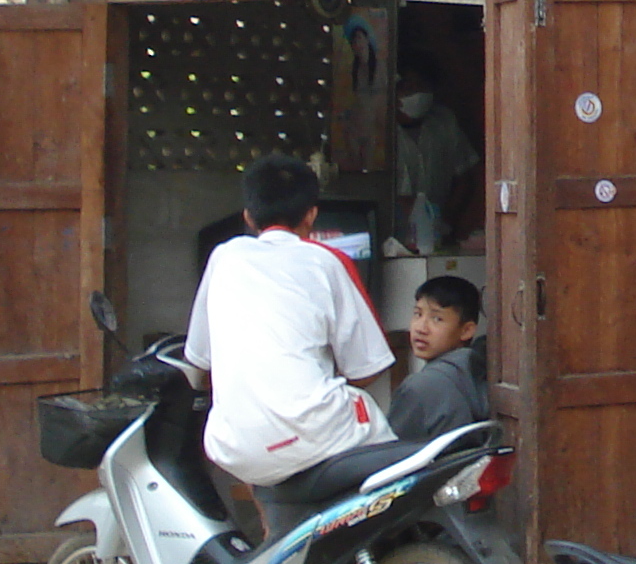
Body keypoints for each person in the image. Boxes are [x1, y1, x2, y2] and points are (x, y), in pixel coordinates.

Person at [187, 154, 397, 493]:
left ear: (248, 217)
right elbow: (367, 368)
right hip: (314, 432)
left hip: (233, 447)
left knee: (263, 458)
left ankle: (274, 531)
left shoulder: (223, 258)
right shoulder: (325, 261)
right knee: (375, 424)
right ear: (312, 214)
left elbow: (199, 363)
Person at [392, 271, 490, 444]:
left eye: (437, 319)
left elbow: (390, 454)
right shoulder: (477, 369)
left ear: (466, 330)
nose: (421, 328)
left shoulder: (422, 386)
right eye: (418, 314)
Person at [396, 60, 480, 255]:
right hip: (394, 235)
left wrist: (445, 220)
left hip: (436, 237)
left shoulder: (444, 122)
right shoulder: (377, 129)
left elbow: (465, 177)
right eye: (409, 86)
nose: (417, 93)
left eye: (422, 86)